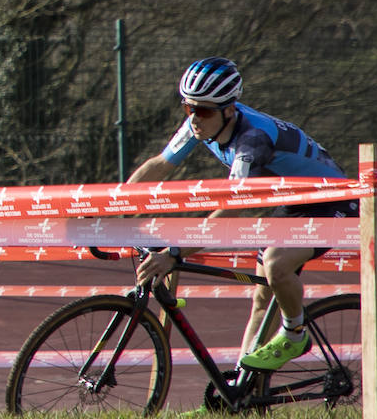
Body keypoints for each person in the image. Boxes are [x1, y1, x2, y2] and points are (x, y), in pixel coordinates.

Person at [129, 56, 358, 371]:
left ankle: (295, 333)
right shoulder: (201, 123)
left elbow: (231, 209)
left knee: (277, 264)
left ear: (228, 110)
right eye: (188, 107)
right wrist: (117, 207)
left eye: (204, 110)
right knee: (262, 298)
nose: (195, 118)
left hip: (336, 200)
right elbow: (160, 164)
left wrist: (174, 253)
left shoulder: (252, 140)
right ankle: (240, 392)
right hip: (296, 202)